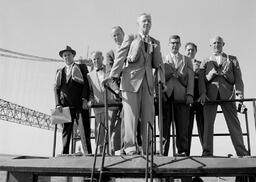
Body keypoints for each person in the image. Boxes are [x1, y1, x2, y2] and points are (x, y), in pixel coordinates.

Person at [103, 13, 165, 155]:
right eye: (144, 21)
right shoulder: (130, 38)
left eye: (149, 21)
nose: (146, 23)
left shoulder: (155, 42)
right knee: (131, 116)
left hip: (148, 83)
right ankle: (130, 146)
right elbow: (120, 56)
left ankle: (148, 147)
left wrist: (161, 81)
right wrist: (113, 75)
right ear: (138, 24)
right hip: (130, 82)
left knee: (148, 115)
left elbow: (159, 64)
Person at [199, 36, 249, 156]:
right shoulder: (205, 60)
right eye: (214, 43)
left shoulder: (232, 59)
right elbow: (201, 80)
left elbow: (238, 79)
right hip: (210, 97)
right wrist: (203, 93)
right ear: (211, 45)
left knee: (234, 124)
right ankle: (207, 152)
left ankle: (242, 152)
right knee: (208, 125)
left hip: (228, 96)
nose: (217, 45)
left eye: (219, 43)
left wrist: (240, 96)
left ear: (223, 44)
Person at [54, 46, 92, 154]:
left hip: (80, 105)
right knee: (66, 131)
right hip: (65, 106)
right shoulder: (59, 71)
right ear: (62, 57)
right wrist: (58, 104)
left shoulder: (81, 67)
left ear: (73, 56)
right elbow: (56, 89)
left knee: (84, 130)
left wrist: (85, 99)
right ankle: (64, 153)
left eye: (68, 55)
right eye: (64, 55)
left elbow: (86, 84)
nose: (66, 57)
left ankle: (87, 153)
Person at [163, 35, 194, 156]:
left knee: (182, 128)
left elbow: (191, 78)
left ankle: (183, 154)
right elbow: (158, 78)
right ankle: (163, 154)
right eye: (172, 43)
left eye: (177, 43)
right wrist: (160, 94)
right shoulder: (162, 59)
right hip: (166, 96)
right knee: (164, 129)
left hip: (181, 97)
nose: (174, 45)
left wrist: (190, 94)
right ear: (169, 44)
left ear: (180, 44)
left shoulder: (187, 60)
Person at [87, 51, 121, 154]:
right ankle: (100, 153)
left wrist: (116, 91)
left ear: (102, 58)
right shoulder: (89, 75)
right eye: (94, 59)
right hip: (98, 106)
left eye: (98, 58)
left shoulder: (109, 69)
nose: (96, 61)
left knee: (110, 129)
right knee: (99, 131)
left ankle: (110, 154)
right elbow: (90, 91)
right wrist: (91, 100)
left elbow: (113, 82)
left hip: (111, 104)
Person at [185, 42, 204, 156]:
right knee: (186, 127)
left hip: (199, 98)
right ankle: (186, 153)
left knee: (202, 126)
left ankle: (206, 152)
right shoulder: (182, 63)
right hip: (187, 98)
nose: (190, 52)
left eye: (192, 50)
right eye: (188, 50)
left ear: (196, 51)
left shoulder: (201, 65)